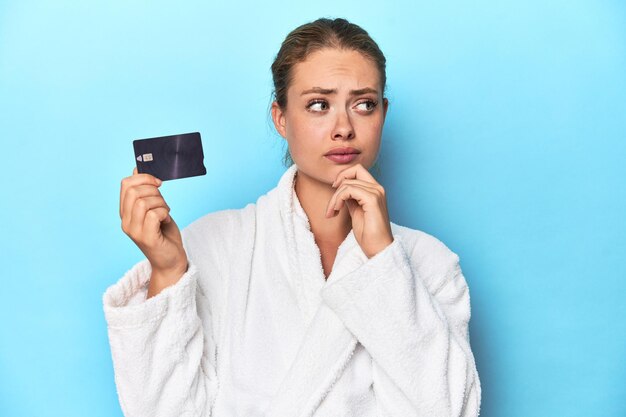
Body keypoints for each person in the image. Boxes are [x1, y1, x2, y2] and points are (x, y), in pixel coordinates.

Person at [103, 17, 481, 417]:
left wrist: (383, 261)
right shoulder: (216, 246)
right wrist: (166, 270)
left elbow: (449, 410)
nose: (343, 128)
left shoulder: (431, 263)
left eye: (363, 104)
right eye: (319, 104)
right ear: (280, 118)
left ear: (382, 114)